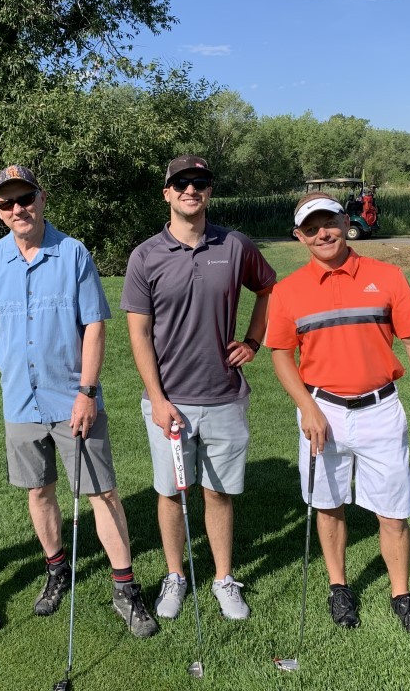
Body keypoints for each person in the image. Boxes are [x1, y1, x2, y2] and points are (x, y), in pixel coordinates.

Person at [0, 165, 159, 638]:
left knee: (102, 492)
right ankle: (57, 569)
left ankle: (125, 588)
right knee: (39, 491)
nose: (18, 209)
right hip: (20, 400)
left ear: (42, 198)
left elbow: (94, 324)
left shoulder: (73, 253)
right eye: (7, 203)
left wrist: (87, 391)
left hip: (73, 398)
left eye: (25, 198)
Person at [265, 191, 410, 641]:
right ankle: (339, 586)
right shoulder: (287, 291)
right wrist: (307, 407)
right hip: (322, 411)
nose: (322, 234)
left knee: (393, 511)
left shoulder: (387, 276)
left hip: (381, 409)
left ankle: (401, 595)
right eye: (311, 228)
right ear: (299, 236)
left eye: (329, 223)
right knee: (328, 505)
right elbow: (281, 354)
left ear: (346, 222)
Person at [121, 155, 277, 621]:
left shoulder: (235, 245)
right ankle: (176, 575)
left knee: (218, 492)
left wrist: (253, 341)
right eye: (182, 182)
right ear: (167, 193)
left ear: (209, 191)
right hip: (169, 402)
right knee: (171, 493)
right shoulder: (145, 255)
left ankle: (223, 577)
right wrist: (157, 398)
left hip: (224, 395)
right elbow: (138, 333)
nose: (191, 189)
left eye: (200, 182)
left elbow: (268, 289)